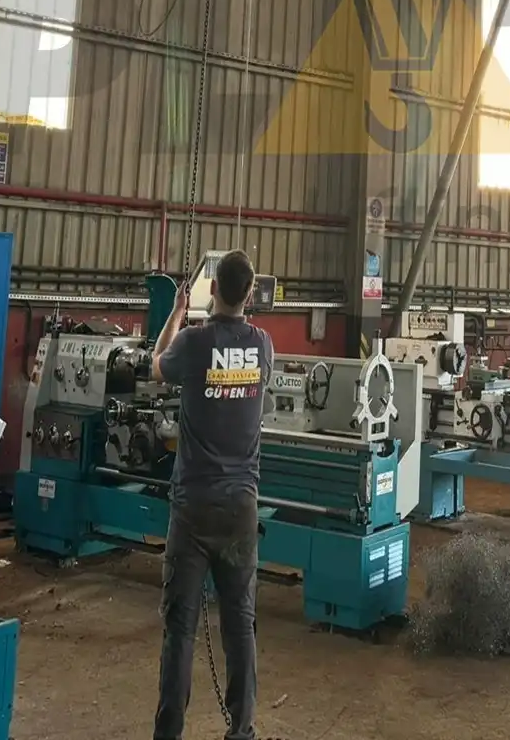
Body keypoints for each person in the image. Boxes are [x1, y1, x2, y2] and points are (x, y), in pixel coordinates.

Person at [151, 250, 274, 740]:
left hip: (193, 507)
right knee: (240, 624)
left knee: (180, 628)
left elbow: (157, 366)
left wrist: (176, 314)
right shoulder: (263, 346)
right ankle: (242, 730)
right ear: (250, 293)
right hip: (241, 506)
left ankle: (169, 733)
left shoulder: (194, 342)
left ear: (214, 289)